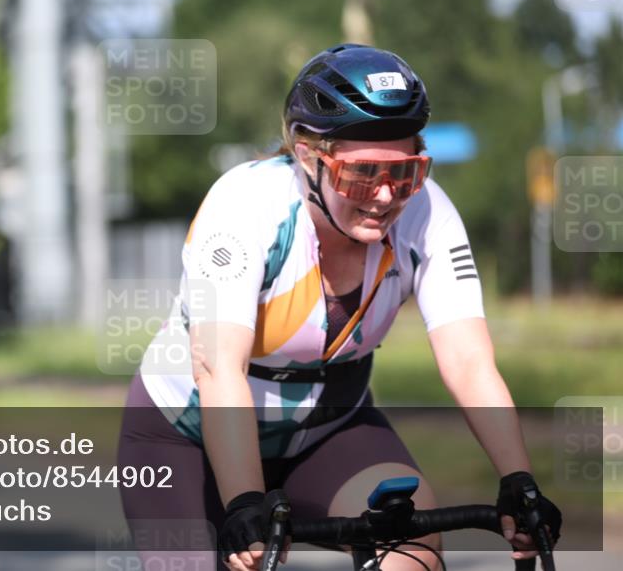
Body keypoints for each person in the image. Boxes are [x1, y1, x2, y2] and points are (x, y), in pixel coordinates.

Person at [117, 44, 561, 571]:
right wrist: (243, 502)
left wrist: (520, 481)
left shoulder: (427, 213)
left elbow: (468, 360)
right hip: (185, 433)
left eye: (406, 172)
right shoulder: (243, 208)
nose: (384, 196)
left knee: (412, 552)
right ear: (308, 156)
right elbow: (219, 367)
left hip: (327, 429)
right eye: (362, 173)